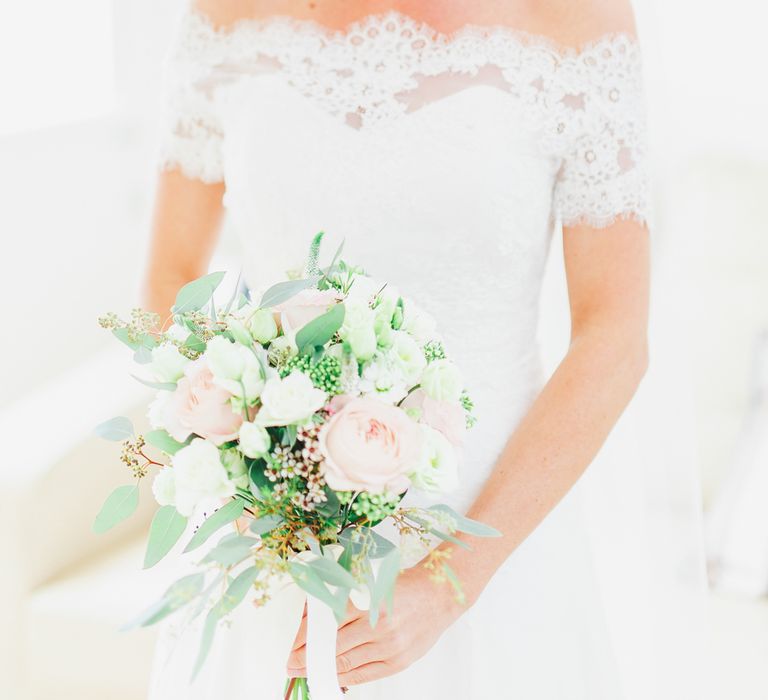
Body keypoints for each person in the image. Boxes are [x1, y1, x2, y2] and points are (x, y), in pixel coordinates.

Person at [143, 1, 692, 698]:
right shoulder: (226, 14)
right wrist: (240, 471)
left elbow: (614, 334)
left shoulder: (578, 23)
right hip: (270, 536)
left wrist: (449, 581)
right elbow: (168, 278)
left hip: (489, 534)